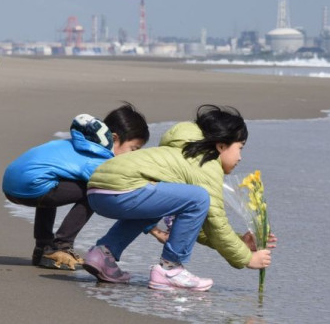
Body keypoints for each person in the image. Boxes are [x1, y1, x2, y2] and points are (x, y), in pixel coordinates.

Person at [83, 104, 274, 292]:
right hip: (122, 189)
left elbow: (192, 226)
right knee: (200, 198)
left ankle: (103, 254)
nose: (240, 157)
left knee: (161, 203)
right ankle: (170, 268)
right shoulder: (205, 162)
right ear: (221, 145)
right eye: (240, 147)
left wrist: (241, 242)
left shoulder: (181, 153)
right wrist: (246, 258)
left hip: (97, 190)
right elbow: (216, 223)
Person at [2, 102, 149, 270]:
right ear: (114, 138)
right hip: (30, 187)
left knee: (53, 186)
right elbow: (115, 187)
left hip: (12, 185)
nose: (133, 156)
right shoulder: (98, 158)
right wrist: (150, 222)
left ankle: (43, 247)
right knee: (94, 191)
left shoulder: (82, 143)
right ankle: (62, 245)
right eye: (133, 149)